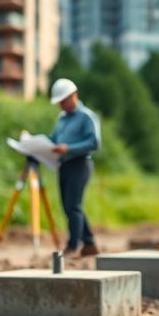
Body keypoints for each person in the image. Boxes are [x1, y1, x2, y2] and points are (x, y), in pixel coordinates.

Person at [49, 78, 102, 257]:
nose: (61, 105)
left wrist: (69, 148)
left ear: (74, 95)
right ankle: (89, 243)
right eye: (59, 103)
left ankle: (73, 245)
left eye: (64, 101)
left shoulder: (86, 116)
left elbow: (94, 142)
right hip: (65, 165)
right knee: (70, 207)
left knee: (73, 206)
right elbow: (54, 139)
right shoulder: (62, 119)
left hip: (80, 164)